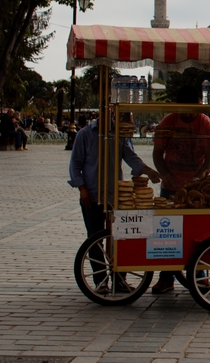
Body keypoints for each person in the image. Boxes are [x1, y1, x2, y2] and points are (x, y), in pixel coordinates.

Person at [69, 113, 161, 294]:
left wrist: (147, 170)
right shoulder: (85, 135)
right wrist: (82, 188)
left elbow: (130, 157)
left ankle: (120, 280)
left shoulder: (119, 135)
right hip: (92, 194)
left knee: (119, 238)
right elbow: (75, 164)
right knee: (95, 240)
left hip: (117, 196)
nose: (111, 118)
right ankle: (100, 281)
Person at [151, 86, 210, 294]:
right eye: (184, 109)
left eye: (192, 109)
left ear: (199, 105)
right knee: (167, 233)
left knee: (197, 232)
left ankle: (199, 276)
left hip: (196, 188)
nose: (188, 114)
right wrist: (164, 173)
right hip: (170, 187)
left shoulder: (206, 124)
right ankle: (166, 277)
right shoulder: (168, 122)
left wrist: (199, 179)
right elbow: (157, 153)